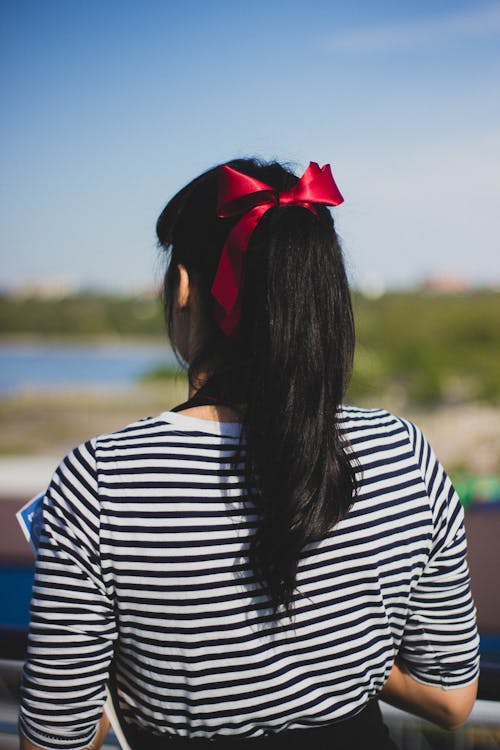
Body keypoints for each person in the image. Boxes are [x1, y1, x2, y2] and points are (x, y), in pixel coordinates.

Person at [19, 158, 479, 750]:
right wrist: (346, 651)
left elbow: (58, 739)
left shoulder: (101, 481)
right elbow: (451, 700)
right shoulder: (403, 452)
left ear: (184, 288)